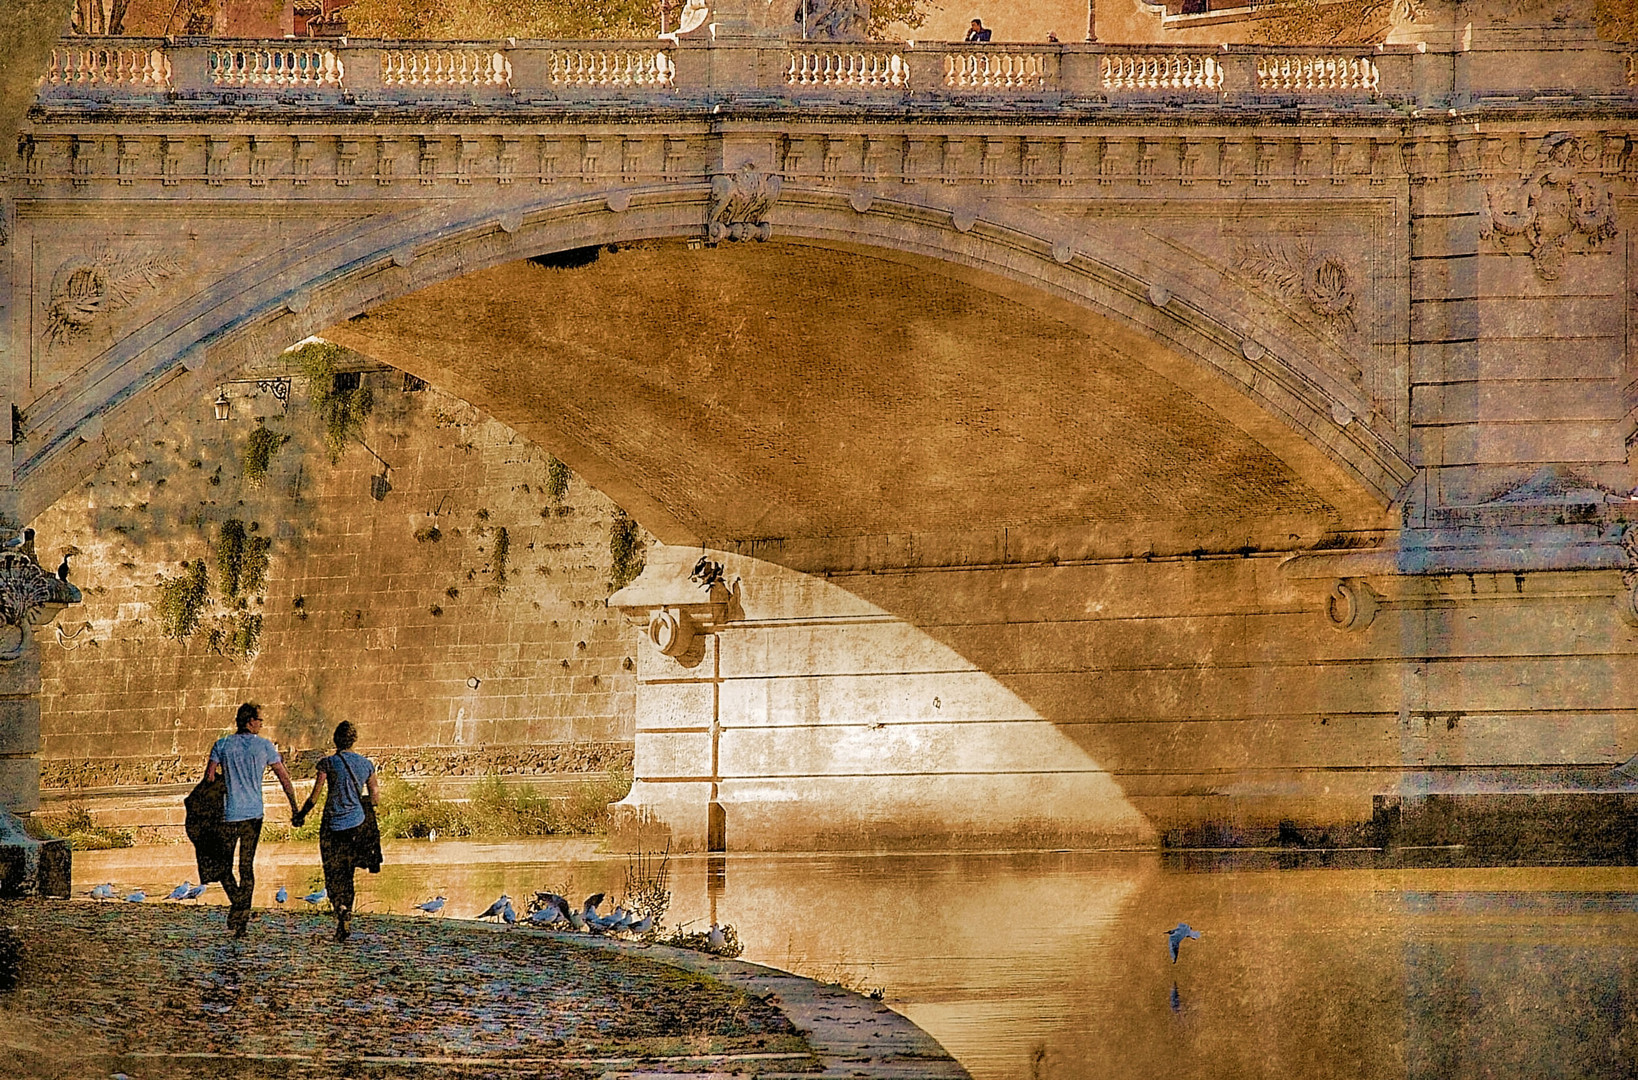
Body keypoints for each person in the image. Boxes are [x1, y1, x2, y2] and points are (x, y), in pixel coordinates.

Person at [205, 702, 299, 938]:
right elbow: (284, 778)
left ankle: (238, 904)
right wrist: (295, 807)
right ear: (250, 721)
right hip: (254, 814)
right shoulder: (264, 746)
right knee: (246, 866)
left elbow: (208, 777)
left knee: (224, 867)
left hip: (229, 814)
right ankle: (242, 911)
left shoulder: (222, 744)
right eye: (259, 720)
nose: (261, 724)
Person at [295, 720, 380, 942]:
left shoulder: (328, 763)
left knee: (332, 872)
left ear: (335, 740)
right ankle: (347, 912)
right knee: (348, 873)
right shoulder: (366, 765)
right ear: (354, 740)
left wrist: (300, 815)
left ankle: (339, 907)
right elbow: (375, 799)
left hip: (332, 827)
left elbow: (315, 796)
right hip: (356, 826)